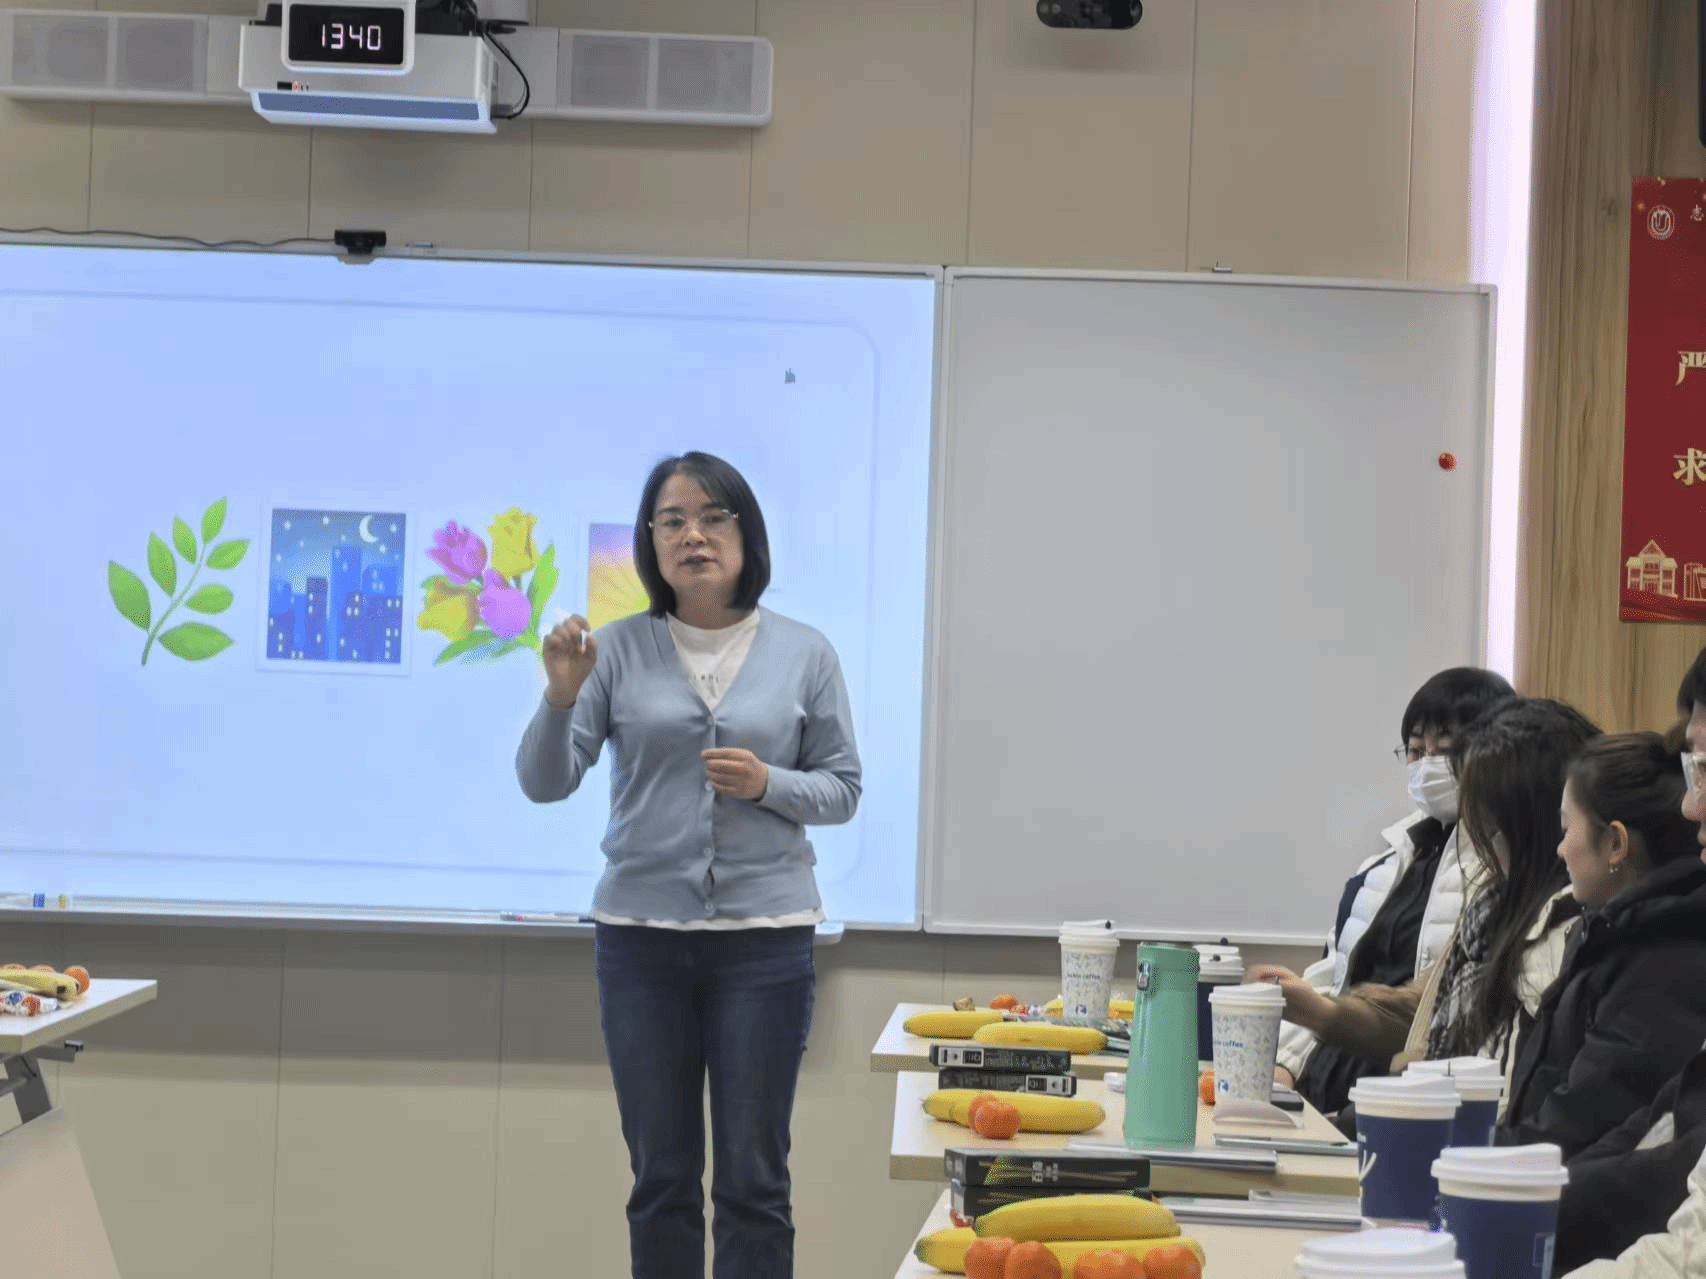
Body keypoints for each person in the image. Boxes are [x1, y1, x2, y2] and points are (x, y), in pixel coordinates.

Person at [514, 451, 861, 1279]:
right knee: (661, 1178)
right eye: (671, 520)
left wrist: (769, 783)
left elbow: (843, 788)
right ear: (650, 542)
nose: (692, 534)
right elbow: (545, 781)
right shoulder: (615, 650)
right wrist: (560, 693)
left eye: (712, 516)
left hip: (765, 944)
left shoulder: (806, 652)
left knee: (754, 1181)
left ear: (747, 534)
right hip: (641, 944)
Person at [1255, 697, 1599, 1115]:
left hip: (1440, 1123)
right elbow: (1424, 1009)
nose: (1487, 845)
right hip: (1390, 1101)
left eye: (1443, 748)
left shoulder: (1565, 929)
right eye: (1416, 750)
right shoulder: (1485, 905)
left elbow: (1507, 1094)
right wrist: (1312, 1021)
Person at [1276, 667, 1515, 1117]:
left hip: (1397, 1093)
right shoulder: (1384, 863)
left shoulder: (1501, 873)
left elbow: (1435, 1011)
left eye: (1445, 749)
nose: (1427, 764)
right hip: (1320, 1079)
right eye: (1416, 751)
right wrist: (1283, 1067)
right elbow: (1331, 979)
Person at [1545, 648, 1706, 1276]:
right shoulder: (1606, 931)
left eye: (1705, 770)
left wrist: (1526, 1203)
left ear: (1615, 842)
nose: (1691, 805)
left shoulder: (1669, 960)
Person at [1497, 731, 1706, 1159]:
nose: (1560, 849)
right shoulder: (1609, 933)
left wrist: (1472, 1158)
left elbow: (1576, 1125)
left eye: (1565, 828)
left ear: (1615, 843)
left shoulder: (1662, 967)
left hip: (1557, 1186)